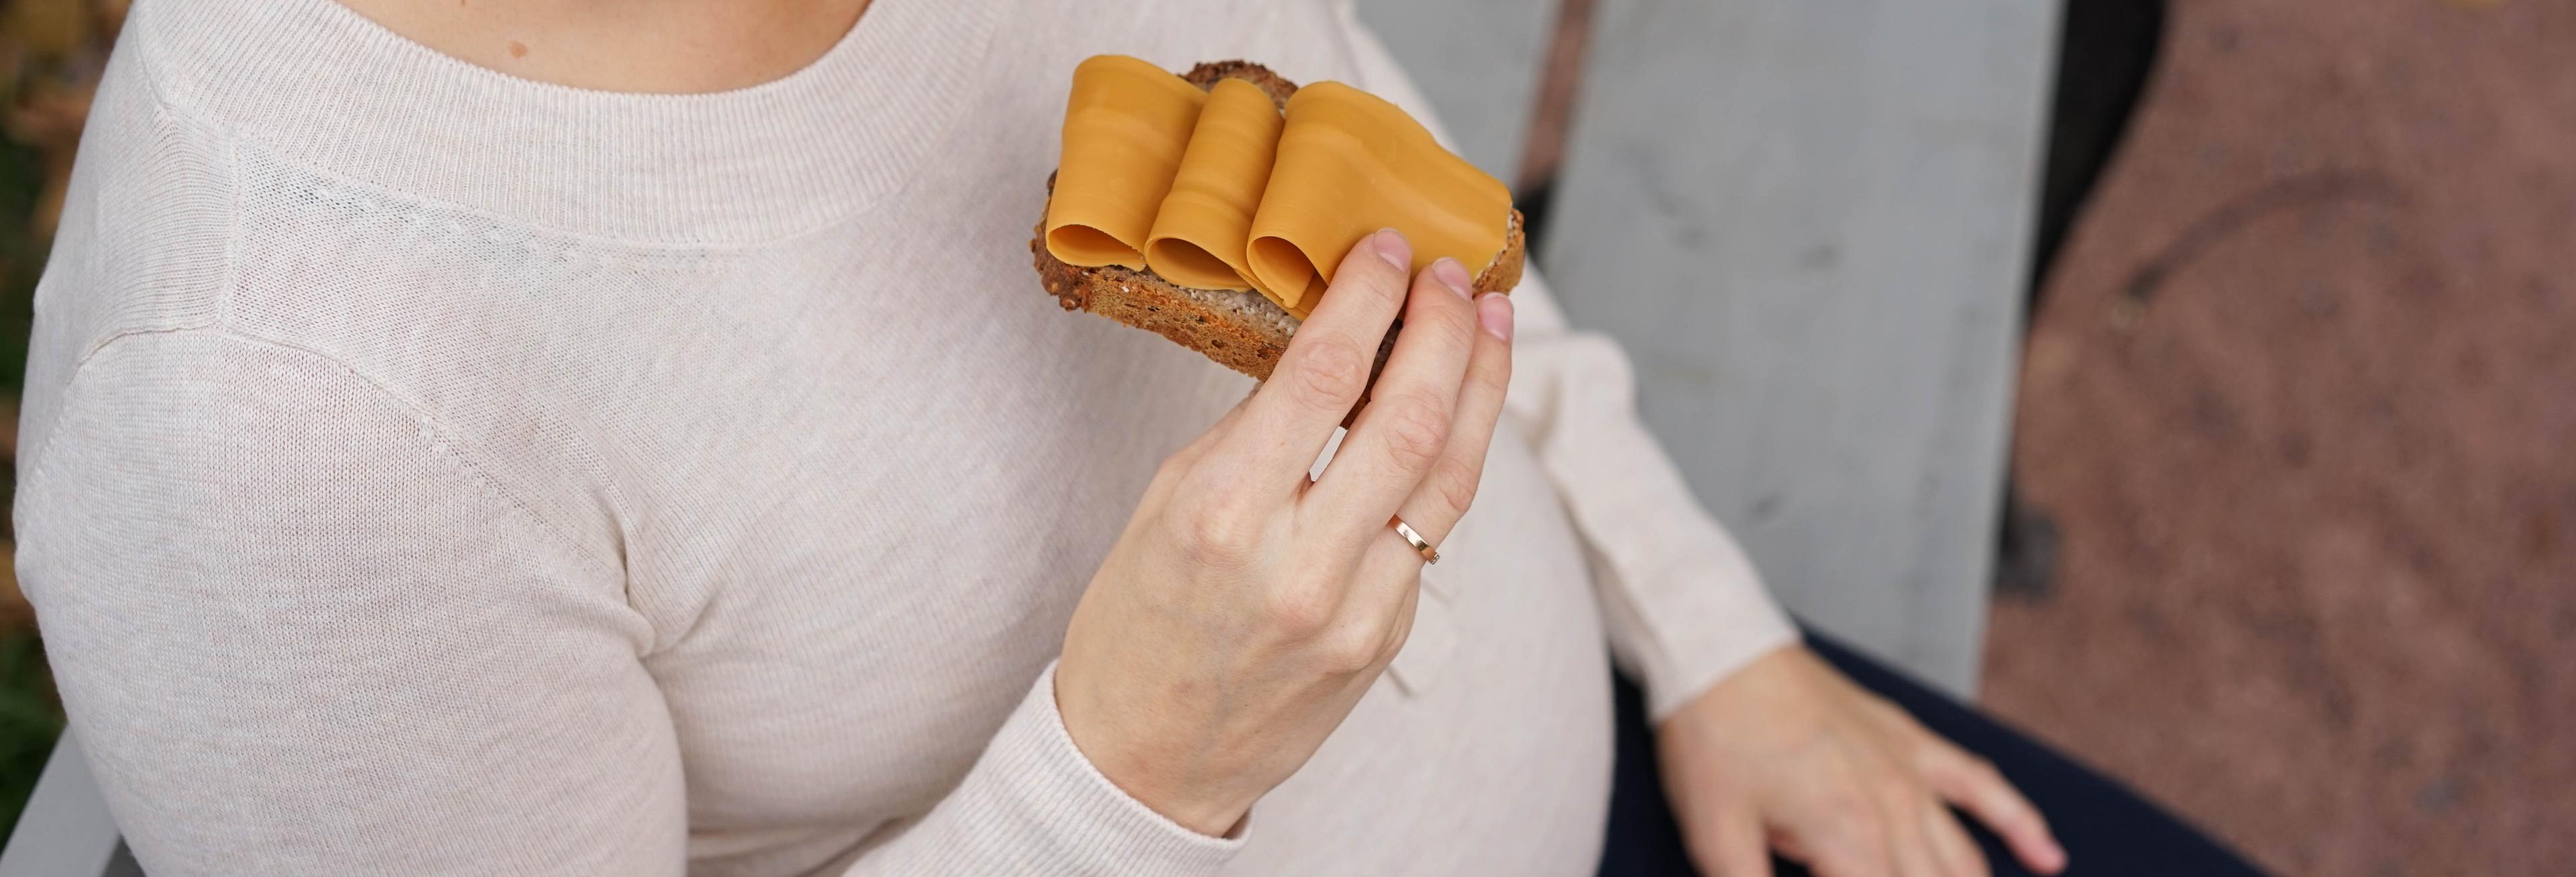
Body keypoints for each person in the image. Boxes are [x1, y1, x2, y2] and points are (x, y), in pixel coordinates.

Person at [16, 0, 2261, 874]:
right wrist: (1128, 777)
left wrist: (1709, 630)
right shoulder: (273, 416)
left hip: (1625, 745)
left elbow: (1351, 143)